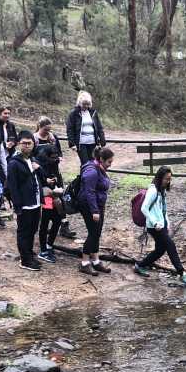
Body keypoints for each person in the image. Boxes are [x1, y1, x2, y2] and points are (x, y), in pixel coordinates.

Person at [133, 167, 186, 286]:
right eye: (166, 179)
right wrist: (155, 222)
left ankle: (140, 265)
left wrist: (167, 221)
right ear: (160, 178)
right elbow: (144, 208)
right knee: (170, 244)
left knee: (160, 250)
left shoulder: (162, 190)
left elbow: (163, 208)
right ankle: (182, 273)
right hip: (154, 226)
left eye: (169, 179)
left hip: (162, 224)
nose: (168, 181)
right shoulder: (152, 190)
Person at [7, 130, 42, 271]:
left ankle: (29, 255)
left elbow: (41, 178)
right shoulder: (14, 163)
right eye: (24, 143)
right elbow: (12, 187)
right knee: (24, 232)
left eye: (30, 143)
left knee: (33, 230)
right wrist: (17, 206)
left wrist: (39, 169)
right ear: (18, 144)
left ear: (34, 144)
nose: (27, 146)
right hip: (24, 204)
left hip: (36, 201)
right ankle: (25, 260)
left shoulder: (32, 160)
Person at [77, 146, 115, 276]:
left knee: (97, 232)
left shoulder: (99, 168)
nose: (110, 165)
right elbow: (89, 192)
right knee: (93, 233)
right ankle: (84, 263)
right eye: (109, 162)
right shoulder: (92, 171)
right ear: (101, 159)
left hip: (98, 204)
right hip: (89, 206)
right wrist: (94, 211)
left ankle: (96, 261)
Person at [33, 117, 64, 264]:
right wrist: (45, 181)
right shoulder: (35, 142)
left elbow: (59, 156)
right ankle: (43, 249)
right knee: (46, 218)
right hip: (45, 188)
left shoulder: (53, 139)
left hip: (55, 185)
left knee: (58, 216)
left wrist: (58, 183)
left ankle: (50, 245)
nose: (56, 158)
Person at [65, 91, 106, 166]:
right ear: (80, 103)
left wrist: (102, 141)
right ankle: (84, 178)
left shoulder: (93, 112)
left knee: (94, 163)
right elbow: (69, 129)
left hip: (93, 143)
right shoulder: (74, 113)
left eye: (88, 104)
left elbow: (99, 127)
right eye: (84, 104)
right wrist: (72, 144)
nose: (86, 106)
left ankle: (92, 178)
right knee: (85, 164)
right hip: (81, 144)